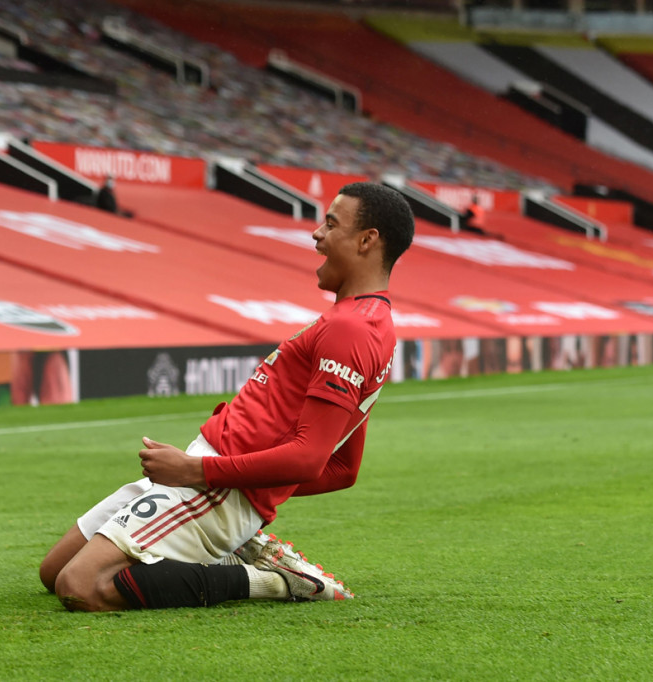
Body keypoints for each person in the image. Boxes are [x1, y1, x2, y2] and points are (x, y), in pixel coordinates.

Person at [39, 182, 415, 611]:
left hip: (210, 486)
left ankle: (270, 581)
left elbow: (311, 459)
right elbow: (343, 468)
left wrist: (203, 474)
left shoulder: (351, 329)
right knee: (53, 571)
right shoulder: (367, 324)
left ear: (368, 240)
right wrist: (235, 481)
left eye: (331, 224)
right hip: (211, 481)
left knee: (81, 586)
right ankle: (234, 543)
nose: (317, 234)